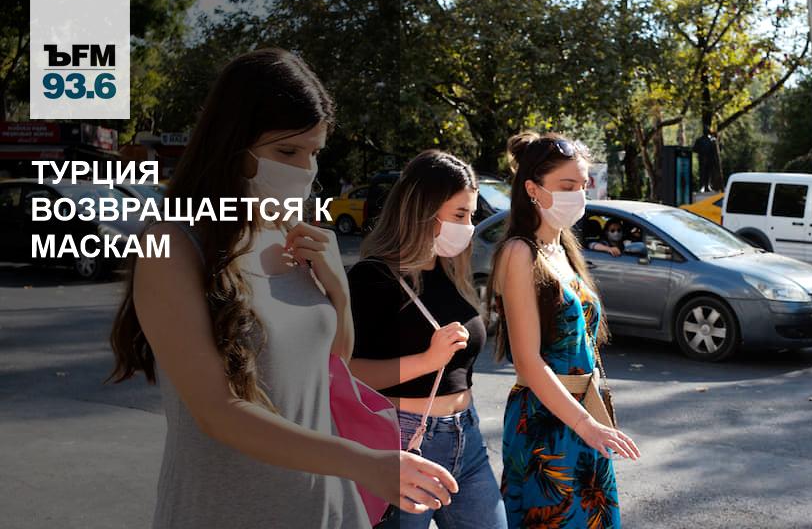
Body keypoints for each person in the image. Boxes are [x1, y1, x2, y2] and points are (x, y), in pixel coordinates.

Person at [108, 49, 456, 528]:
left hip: (330, 510)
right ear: (232, 143)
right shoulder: (173, 245)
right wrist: (365, 462)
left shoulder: (293, 232)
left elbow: (332, 365)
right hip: (226, 513)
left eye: (314, 153)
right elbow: (216, 411)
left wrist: (338, 291)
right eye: (287, 152)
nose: (305, 169)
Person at [347, 150, 507, 529]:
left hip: (466, 435)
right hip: (404, 440)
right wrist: (426, 361)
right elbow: (347, 372)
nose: (469, 226)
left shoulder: (451, 271)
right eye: (460, 215)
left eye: (471, 216)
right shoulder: (373, 277)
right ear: (424, 209)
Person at [490, 132, 640, 528]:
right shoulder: (519, 252)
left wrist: (591, 421)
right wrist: (585, 424)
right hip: (547, 423)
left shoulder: (562, 249)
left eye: (583, 186)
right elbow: (527, 361)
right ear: (532, 189)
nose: (579, 195)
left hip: (581, 415)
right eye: (567, 186)